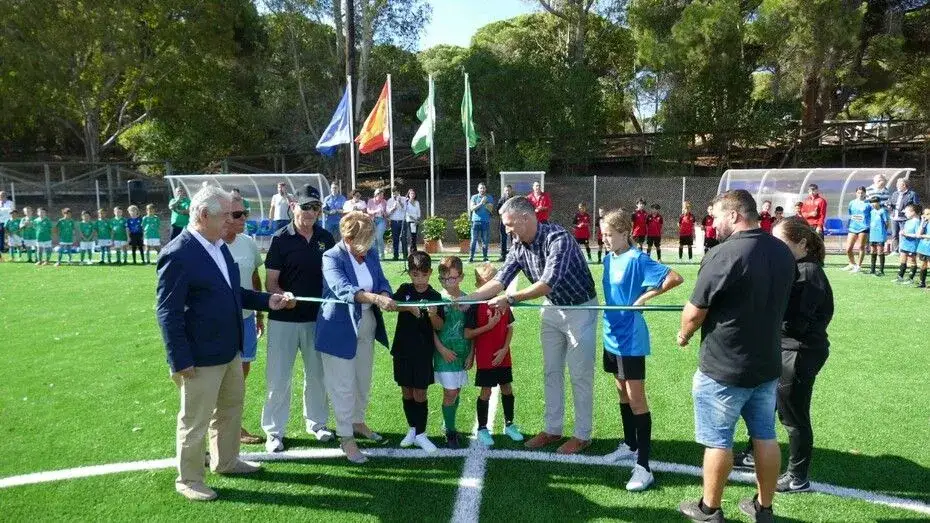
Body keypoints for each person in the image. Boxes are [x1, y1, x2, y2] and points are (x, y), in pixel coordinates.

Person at [155, 185, 292, 502]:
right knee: (195, 420)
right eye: (227, 216)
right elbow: (167, 312)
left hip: (230, 348)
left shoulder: (218, 246)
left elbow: (236, 293)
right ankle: (189, 479)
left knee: (230, 408)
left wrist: (267, 300)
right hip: (199, 356)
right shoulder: (178, 254)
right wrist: (179, 359)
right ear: (204, 215)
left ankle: (226, 461)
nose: (231, 222)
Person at [676, 189, 795, 523]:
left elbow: (694, 311)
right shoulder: (782, 252)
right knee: (765, 436)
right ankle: (764, 507)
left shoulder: (724, 254)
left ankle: (709, 509)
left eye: (715, 217)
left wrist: (684, 335)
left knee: (717, 441)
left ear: (734, 215)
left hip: (724, 368)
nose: (712, 224)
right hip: (766, 364)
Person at [462, 196, 597, 455]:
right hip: (552, 309)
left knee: (580, 375)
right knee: (550, 371)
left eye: (509, 224)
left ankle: (582, 435)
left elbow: (548, 282)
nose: (506, 230)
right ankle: (552, 429)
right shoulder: (518, 245)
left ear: (526, 217)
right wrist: (466, 300)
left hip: (581, 309)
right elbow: (501, 279)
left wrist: (511, 298)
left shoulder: (558, 238)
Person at [599, 209, 683, 492]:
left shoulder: (638, 258)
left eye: (610, 234)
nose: (606, 239)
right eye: (604, 234)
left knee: (637, 400)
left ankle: (644, 466)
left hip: (631, 339)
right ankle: (630, 444)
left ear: (626, 233)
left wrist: (645, 296)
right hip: (611, 335)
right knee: (621, 391)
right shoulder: (608, 258)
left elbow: (674, 277)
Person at [316, 211, 396, 463]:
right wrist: (374, 298)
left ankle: (358, 421)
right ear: (348, 237)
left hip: (367, 325)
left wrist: (384, 292)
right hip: (338, 328)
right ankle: (346, 437)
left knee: (362, 379)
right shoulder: (331, 256)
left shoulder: (370, 254)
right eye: (365, 237)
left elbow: (381, 280)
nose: (371, 242)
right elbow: (342, 289)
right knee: (342, 385)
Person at [261, 184, 336, 453]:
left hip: (317, 320)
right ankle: (274, 432)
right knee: (278, 378)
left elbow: (334, 276)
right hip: (283, 320)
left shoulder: (326, 238)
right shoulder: (280, 239)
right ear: (294, 207)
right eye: (307, 206)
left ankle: (317, 424)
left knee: (317, 376)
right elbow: (271, 282)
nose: (312, 212)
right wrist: (283, 296)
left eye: (316, 207)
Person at [770, 216, 834, 493]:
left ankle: (798, 478)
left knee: (794, 417)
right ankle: (755, 455)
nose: (774, 247)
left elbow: (796, 323)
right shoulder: (800, 269)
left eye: (780, 242)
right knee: (779, 408)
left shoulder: (807, 274)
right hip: (791, 349)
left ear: (802, 244)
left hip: (798, 352)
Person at [223, 194, 267, 445]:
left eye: (245, 213)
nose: (245, 219)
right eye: (239, 214)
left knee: (240, 376)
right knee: (221, 377)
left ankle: (234, 425)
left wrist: (260, 313)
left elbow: (254, 278)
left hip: (248, 319)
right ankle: (228, 428)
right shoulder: (213, 245)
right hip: (222, 323)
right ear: (224, 216)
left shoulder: (248, 243)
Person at [391, 251, 444, 453]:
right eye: (415, 275)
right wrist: (408, 308)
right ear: (409, 274)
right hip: (402, 349)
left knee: (420, 392)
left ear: (430, 273)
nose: (419, 279)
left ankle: (421, 433)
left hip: (423, 352)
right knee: (406, 390)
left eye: (423, 275)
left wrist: (431, 315)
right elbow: (393, 306)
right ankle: (412, 429)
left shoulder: (435, 296)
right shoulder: (404, 289)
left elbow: (439, 326)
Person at [464, 263, 522, 446]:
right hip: (486, 357)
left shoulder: (502, 301)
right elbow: (467, 334)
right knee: (486, 391)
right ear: (478, 283)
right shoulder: (475, 305)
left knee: (507, 388)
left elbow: (509, 328)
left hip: (503, 354)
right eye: (484, 283)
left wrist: (505, 349)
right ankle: (482, 428)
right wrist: (488, 326)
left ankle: (510, 424)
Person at [433, 256, 472, 449]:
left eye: (453, 278)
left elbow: (471, 329)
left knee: (456, 391)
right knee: (449, 392)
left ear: (461, 277)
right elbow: (431, 329)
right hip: (444, 354)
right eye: (444, 279)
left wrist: (471, 354)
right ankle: (450, 431)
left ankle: (449, 422)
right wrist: (441, 349)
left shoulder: (469, 299)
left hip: (462, 353)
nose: (449, 283)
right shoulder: (438, 299)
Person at [888, 178, 921, 254]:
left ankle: (904, 250)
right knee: (894, 235)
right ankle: (895, 251)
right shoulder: (895, 193)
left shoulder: (912, 194)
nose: (896, 185)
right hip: (894, 217)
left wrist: (908, 211)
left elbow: (916, 206)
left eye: (898, 184)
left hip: (905, 218)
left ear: (904, 185)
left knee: (904, 234)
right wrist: (889, 205)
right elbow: (892, 202)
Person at [843, 186, 871, 273]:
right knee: (848, 248)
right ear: (856, 193)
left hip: (863, 227)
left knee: (861, 247)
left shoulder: (868, 204)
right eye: (858, 192)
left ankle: (858, 266)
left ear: (865, 193)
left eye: (862, 193)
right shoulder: (852, 203)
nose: (860, 194)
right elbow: (851, 214)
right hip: (853, 227)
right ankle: (852, 264)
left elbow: (871, 215)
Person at [896, 204, 922, 284]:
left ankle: (910, 278)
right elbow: (904, 231)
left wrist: (907, 234)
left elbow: (918, 234)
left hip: (912, 245)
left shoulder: (917, 222)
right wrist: (902, 232)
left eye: (907, 212)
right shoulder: (907, 221)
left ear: (913, 212)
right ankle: (900, 277)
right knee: (902, 260)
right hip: (905, 244)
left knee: (912, 260)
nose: (905, 214)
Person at [469, 183, 494, 263]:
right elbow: (472, 208)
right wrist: (481, 203)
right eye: (481, 188)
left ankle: (485, 257)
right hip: (475, 221)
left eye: (483, 188)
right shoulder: (474, 197)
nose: (482, 190)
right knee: (473, 240)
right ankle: (471, 257)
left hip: (485, 222)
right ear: (478, 189)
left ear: (485, 189)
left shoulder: (489, 197)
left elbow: (490, 210)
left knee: (485, 241)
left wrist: (486, 204)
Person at [867, 196, 890, 276]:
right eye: (872, 203)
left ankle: (881, 270)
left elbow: (887, 223)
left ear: (878, 202)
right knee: (873, 251)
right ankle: (872, 269)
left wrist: (883, 231)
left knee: (880, 251)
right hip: (873, 234)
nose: (873, 204)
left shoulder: (882, 211)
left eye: (874, 202)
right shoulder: (872, 211)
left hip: (880, 234)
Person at [367, 188, 388, 260]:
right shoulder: (370, 201)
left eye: (382, 195)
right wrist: (376, 211)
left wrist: (383, 212)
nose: (382, 196)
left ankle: (382, 255)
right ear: (376, 195)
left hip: (381, 220)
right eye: (380, 195)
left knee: (379, 237)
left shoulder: (384, 202)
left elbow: (386, 214)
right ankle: (374, 256)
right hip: (372, 220)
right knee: (373, 239)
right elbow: (368, 211)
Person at [387, 186, 408, 260]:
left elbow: (405, 209)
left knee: (404, 239)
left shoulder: (404, 199)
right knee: (395, 239)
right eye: (393, 193)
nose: (395, 194)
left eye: (396, 192)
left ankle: (405, 256)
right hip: (394, 222)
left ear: (399, 192)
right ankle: (396, 256)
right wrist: (393, 208)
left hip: (402, 221)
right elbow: (388, 212)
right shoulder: (390, 200)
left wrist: (400, 202)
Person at [914, 208, 930, 288]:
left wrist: (923, 236)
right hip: (923, 247)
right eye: (925, 214)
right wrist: (922, 222)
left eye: (928, 214)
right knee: (923, 265)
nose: (927, 216)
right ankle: (922, 282)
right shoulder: (924, 223)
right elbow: (918, 234)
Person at [498, 185, 514, 260]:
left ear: (511, 190)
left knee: (513, 238)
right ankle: (503, 255)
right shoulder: (501, 200)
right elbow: (498, 211)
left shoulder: (514, 200)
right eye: (506, 190)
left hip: (513, 223)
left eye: (509, 190)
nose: (507, 192)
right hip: (504, 222)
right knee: (503, 238)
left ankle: (514, 254)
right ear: (504, 191)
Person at [404, 188, 422, 254]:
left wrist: (417, 219)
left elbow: (418, 211)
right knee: (411, 236)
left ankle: (414, 250)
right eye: (411, 193)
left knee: (414, 236)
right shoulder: (406, 202)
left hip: (416, 221)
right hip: (410, 221)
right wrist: (414, 220)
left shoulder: (417, 202)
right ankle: (412, 251)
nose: (413, 195)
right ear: (408, 194)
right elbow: (407, 213)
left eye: (414, 193)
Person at [0, 190, 12, 259]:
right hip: (0, 221)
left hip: (8, 221)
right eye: (0, 195)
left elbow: (12, 211)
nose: (1, 197)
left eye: (3, 195)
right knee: (1, 235)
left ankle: (11, 248)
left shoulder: (10, 203)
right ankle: (1, 249)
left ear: (6, 196)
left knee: (10, 235)